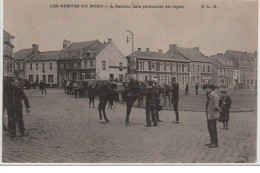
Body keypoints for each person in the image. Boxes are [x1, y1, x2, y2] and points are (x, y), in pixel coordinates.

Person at [204, 84, 222, 148]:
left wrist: (220, 110)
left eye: (208, 88)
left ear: (212, 89)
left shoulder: (214, 96)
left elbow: (216, 106)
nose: (206, 89)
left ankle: (215, 143)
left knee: (213, 129)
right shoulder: (211, 95)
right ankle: (212, 142)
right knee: (210, 128)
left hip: (213, 115)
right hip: (210, 115)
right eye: (206, 88)